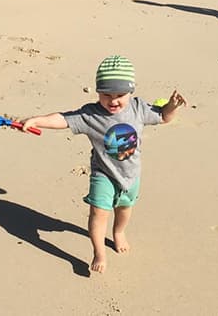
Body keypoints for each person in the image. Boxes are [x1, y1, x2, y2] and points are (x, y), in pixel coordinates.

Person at [20, 55, 187, 273]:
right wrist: (37, 120)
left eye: (120, 95)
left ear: (131, 92)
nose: (113, 100)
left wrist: (172, 106)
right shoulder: (90, 115)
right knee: (98, 214)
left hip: (131, 175)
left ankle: (118, 232)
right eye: (106, 95)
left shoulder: (137, 108)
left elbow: (164, 117)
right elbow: (63, 119)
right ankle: (99, 251)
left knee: (125, 209)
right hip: (104, 175)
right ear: (98, 91)